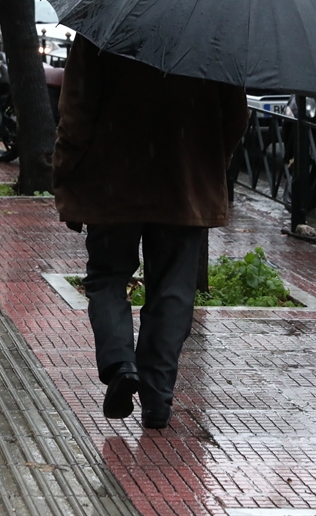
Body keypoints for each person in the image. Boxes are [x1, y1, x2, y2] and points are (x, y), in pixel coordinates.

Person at [52, 35, 249, 430]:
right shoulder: (213, 34)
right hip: (183, 182)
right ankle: (158, 400)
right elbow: (234, 117)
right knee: (174, 288)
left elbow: (77, 110)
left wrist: (66, 170)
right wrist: (209, 166)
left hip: (113, 179)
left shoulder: (105, 29)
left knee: (108, 276)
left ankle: (120, 363)